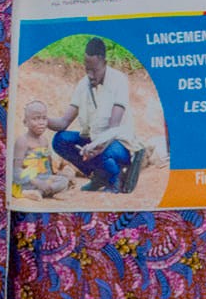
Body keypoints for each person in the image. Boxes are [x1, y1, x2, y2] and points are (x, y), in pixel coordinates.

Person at [49, 37, 145, 193]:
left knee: (106, 152)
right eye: (87, 69)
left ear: (104, 63)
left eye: (94, 70)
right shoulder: (83, 84)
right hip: (94, 142)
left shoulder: (119, 81)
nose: (90, 75)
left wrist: (95, 147)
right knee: (60, 140)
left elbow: (113, 128)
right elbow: (64, 122)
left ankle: (115, 179)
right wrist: (43, 120)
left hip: (118, 144)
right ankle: (98, 176)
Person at [10, 100, 73, 200]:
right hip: (27, 181)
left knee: (63, 180)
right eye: (35, 119)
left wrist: (57, 174)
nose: (41, 123)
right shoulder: (22, 141)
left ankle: (39, 192)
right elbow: (16, 171)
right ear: (25, 122)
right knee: (54, 184)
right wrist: (36, 182)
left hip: (43, 178)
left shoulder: (44, 141)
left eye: (44, 118)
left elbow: (47, 167)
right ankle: (40, 192)